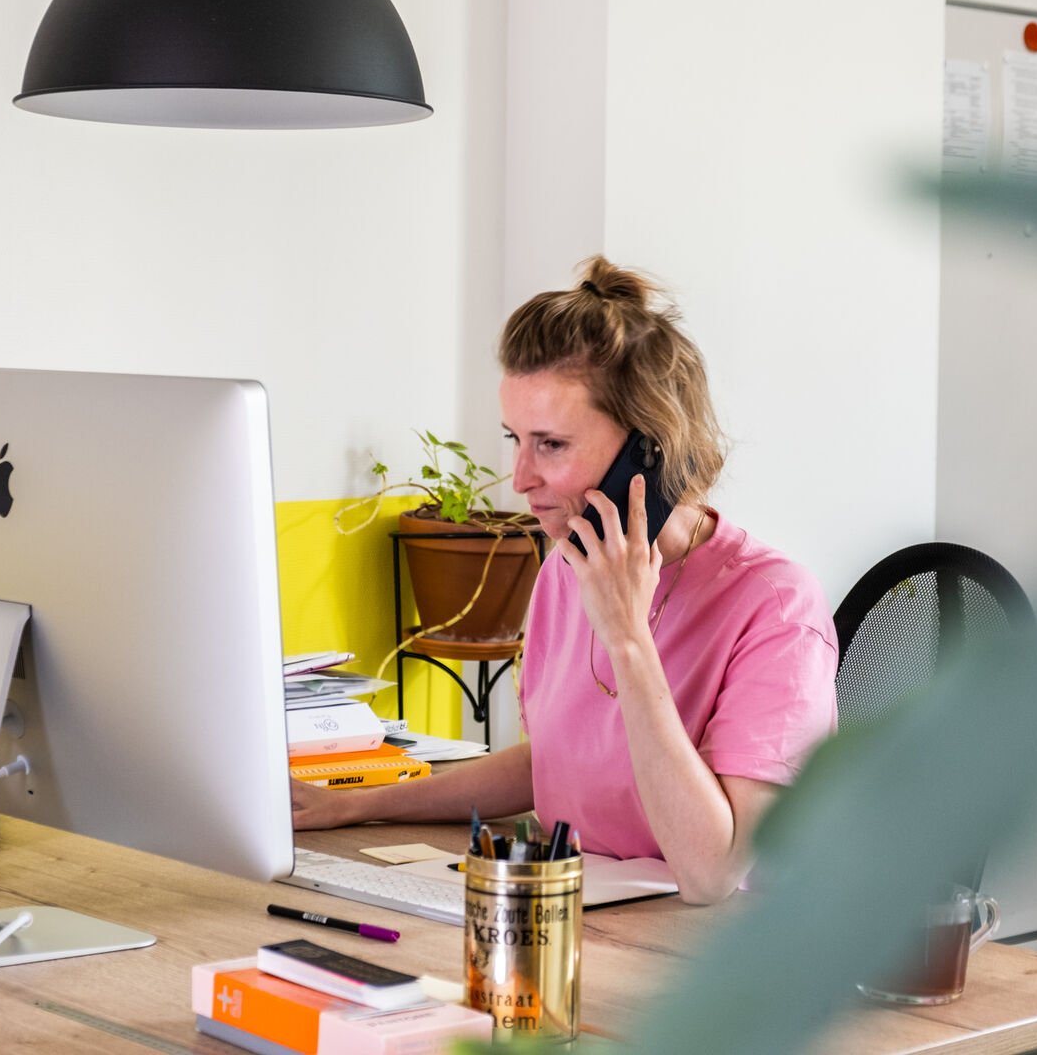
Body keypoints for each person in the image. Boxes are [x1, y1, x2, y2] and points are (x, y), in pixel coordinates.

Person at [293, 256, 838, 904]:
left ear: (649, 449)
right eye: (515, 439)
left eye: (550, 444)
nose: (521, 478)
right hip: (579, 909)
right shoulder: (566, 567)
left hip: (709, 938)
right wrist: (358, 805)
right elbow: (552, 763)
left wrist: (628, 638)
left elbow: (712, 872)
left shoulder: (775, 606)